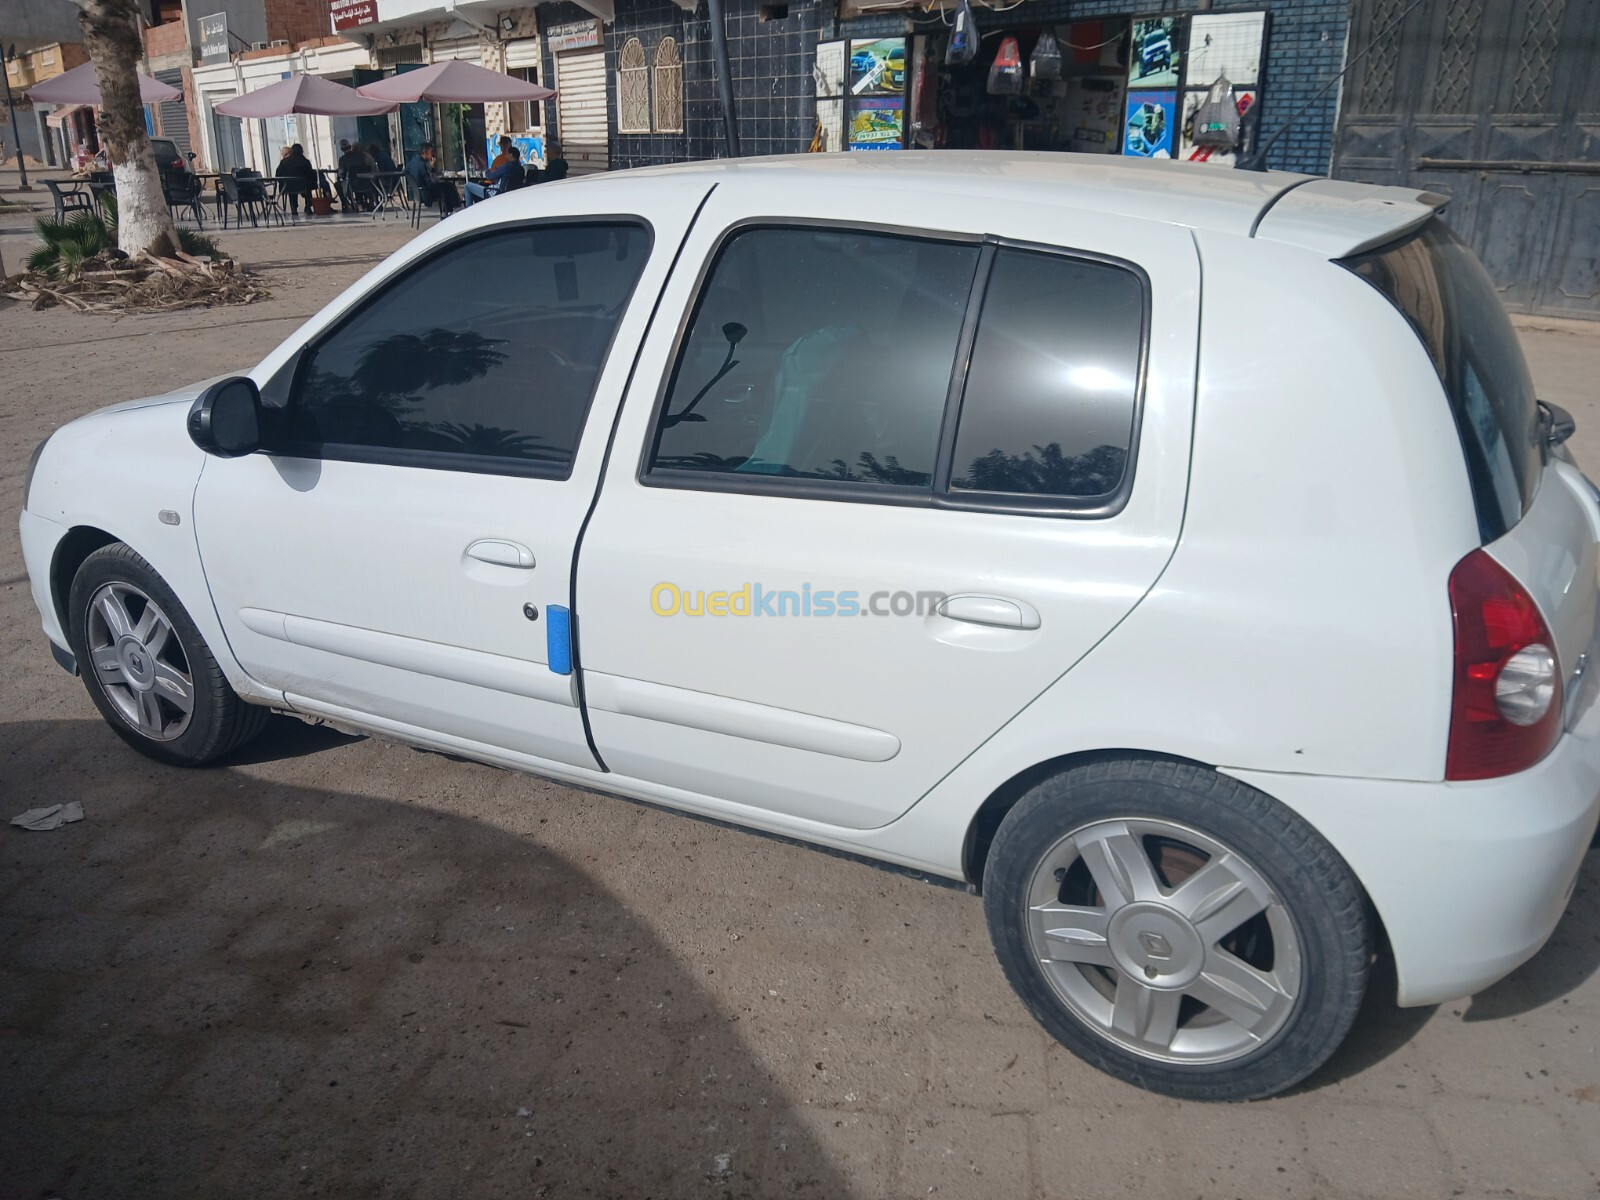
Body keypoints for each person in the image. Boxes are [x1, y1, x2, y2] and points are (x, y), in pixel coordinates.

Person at [405, 142, 460, 214]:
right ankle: (456, 207)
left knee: (445, 186)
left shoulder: (413, 161)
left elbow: (405, 171)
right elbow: (430, 181)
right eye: (431, 152)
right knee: (449, 186)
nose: (433, 154)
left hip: (418, 193)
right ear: (425, 152)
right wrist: (433, 169)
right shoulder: (422, 165)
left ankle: (447, 211)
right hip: (426, 194)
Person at [275, 142, 317, 218]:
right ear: (301, 151)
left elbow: (278, 175)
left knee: (292, 191)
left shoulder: (284, 162)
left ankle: (294, 209)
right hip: (303, 186)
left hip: (287, 187)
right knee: (308, 187)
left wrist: (283, 183)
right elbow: (310, 174)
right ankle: (308, 206)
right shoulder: (305, 161)